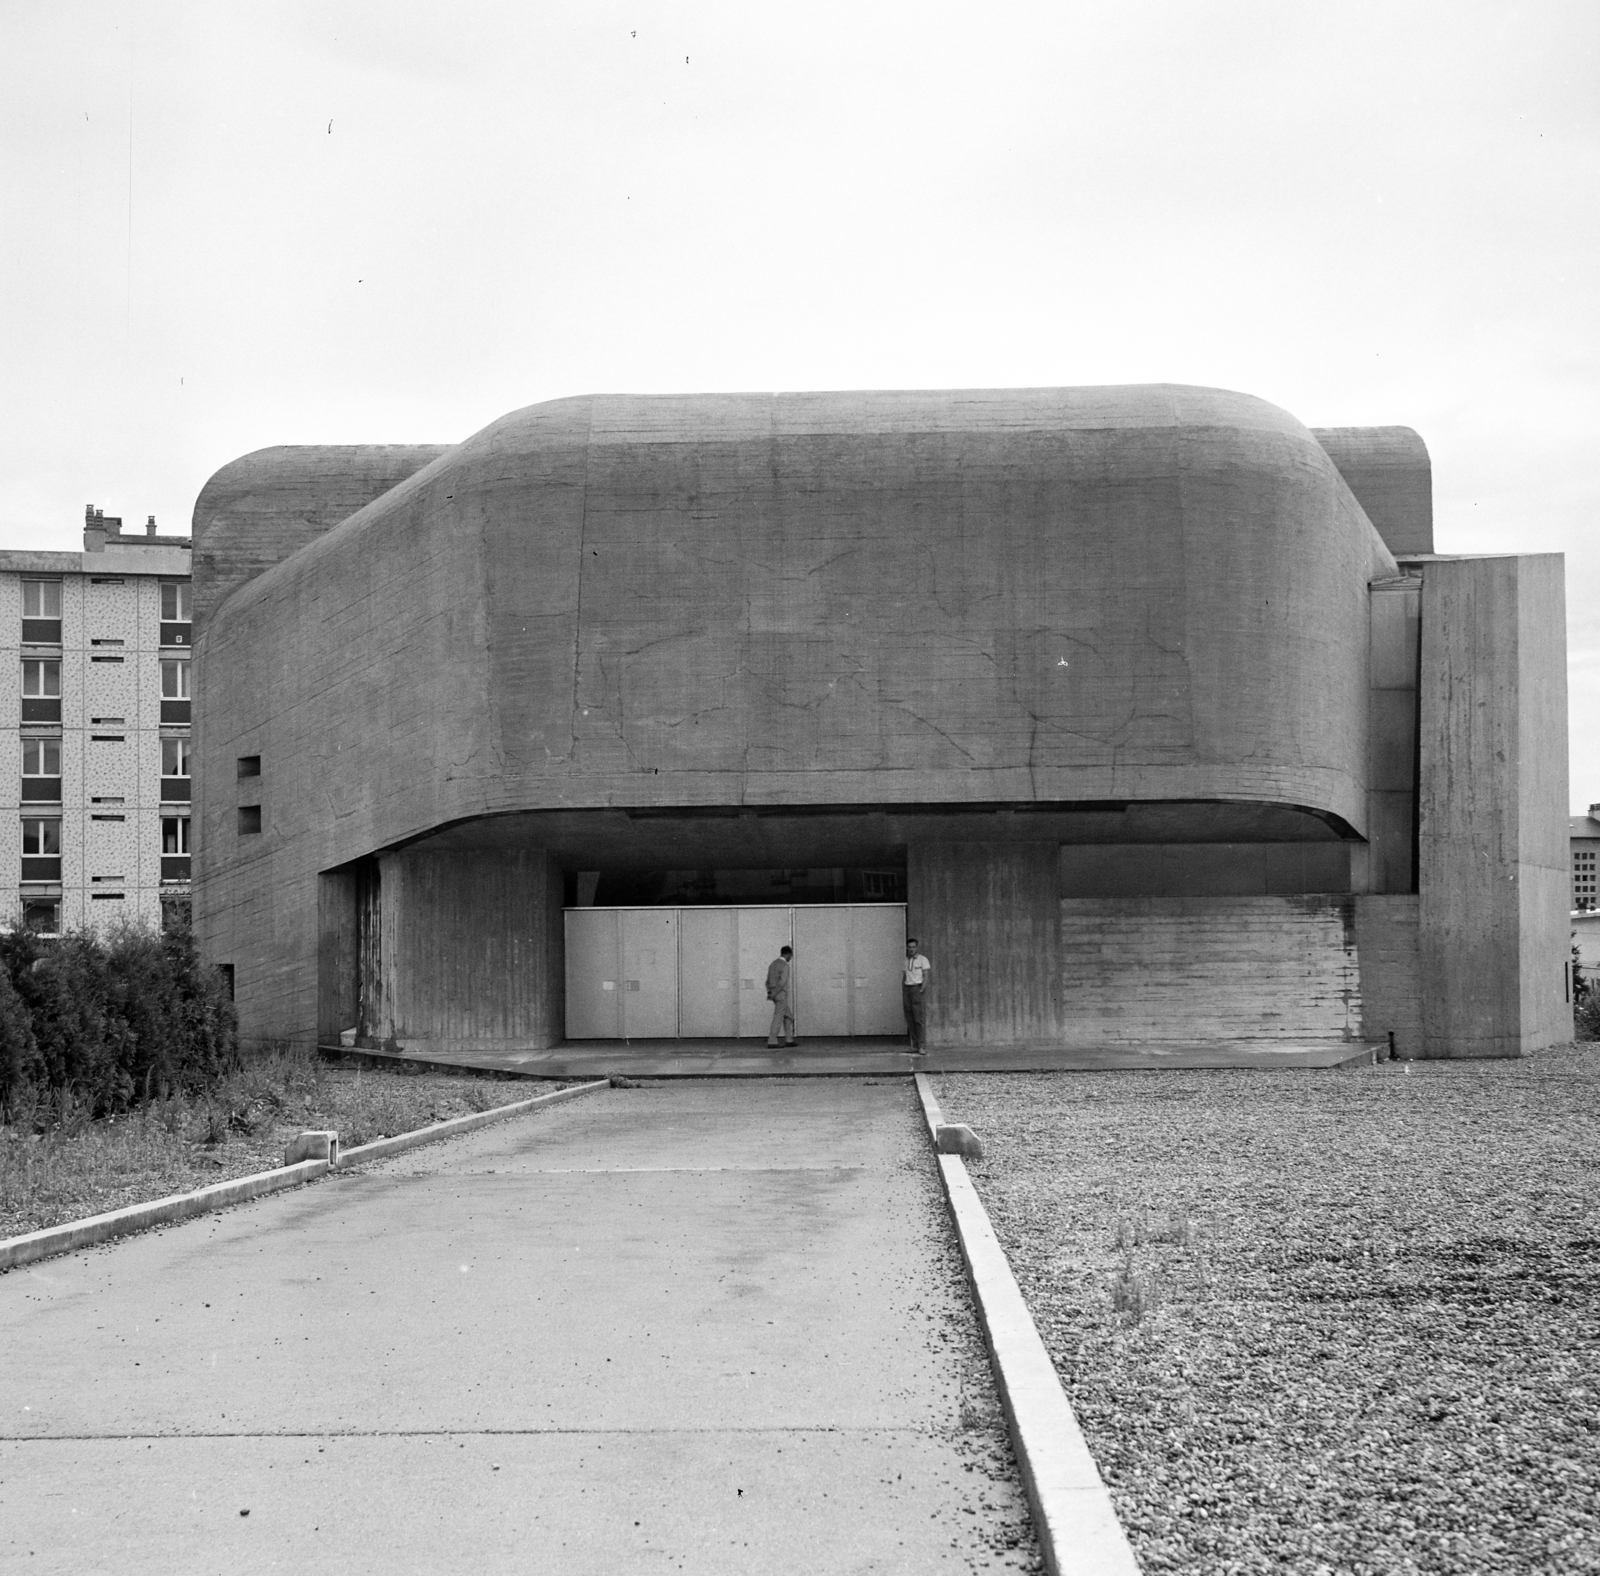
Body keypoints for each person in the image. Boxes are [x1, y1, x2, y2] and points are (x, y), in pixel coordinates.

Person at [902, 937, 932, 1053]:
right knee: (910, 1018)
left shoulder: (922, 960)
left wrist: (921, 990)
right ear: (907, 948)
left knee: (919, 1019)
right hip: (907, 989)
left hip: (917, 988)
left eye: (913, 947)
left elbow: (926, 976)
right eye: (909, 947)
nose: (911, 949)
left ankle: (922, 1046)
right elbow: (904, 977)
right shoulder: (905, 960)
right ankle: (914, 1045)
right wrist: (903, 990)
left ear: (917, 948)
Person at [766, 945, 798, 1047]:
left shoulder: (773, 964)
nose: (791, 958)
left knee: (788, 1016)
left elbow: (767, 981)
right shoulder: (784, 965)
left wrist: (770, 993)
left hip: (775, 996)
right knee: (778, 1017)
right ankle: (772, 1041)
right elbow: (782, 982)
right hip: (781, 995)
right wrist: (775, 992)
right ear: (787, 954)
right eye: (791, 955)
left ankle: (789, 1039)